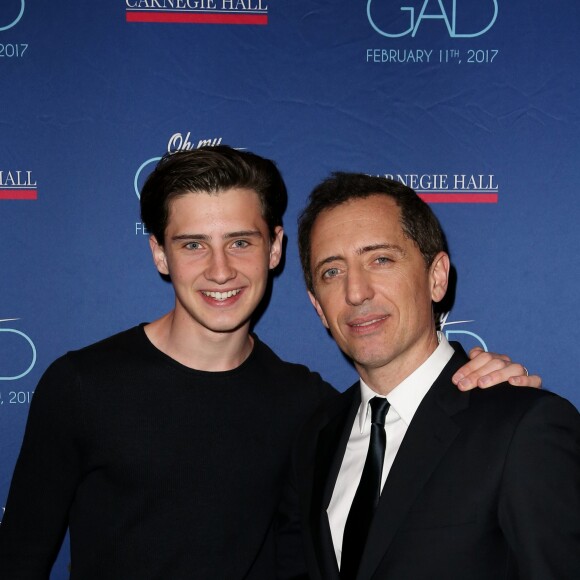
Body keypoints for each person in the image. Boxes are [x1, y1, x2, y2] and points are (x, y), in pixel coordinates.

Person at [0, 149, 538, 580]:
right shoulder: (81, 386)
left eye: (240, 241)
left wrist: (488, 387)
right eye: (192, 244)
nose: (219, 270)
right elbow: (20, 558)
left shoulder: (313, 410)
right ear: (160, 254)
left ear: (275, 248)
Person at [276, 172, 580, 580]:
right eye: (332, 271)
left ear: (436, 277)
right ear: (317, 306)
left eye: (380, 259)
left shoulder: (521, 428)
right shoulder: (314, 439)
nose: (356, 292)